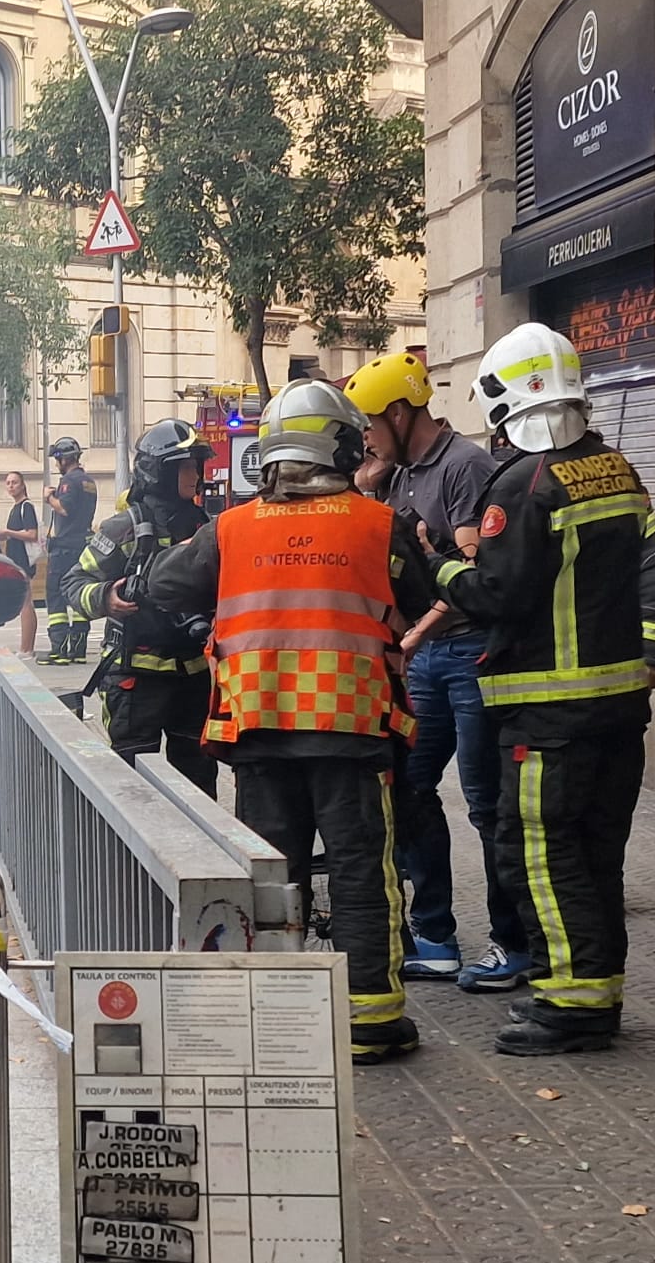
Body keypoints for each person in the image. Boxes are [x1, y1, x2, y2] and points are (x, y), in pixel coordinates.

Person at [144, 379, 436, 1063]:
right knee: (363, 871)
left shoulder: (229, 528)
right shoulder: (379, 524)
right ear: (334, 446)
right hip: (351, 729)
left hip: (258, 730)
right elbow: (422, 593)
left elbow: (162, 585)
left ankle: (277, 1019)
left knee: (274, 877)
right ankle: (372, 1021)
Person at [430, 322, 655, 1056]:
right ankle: (596, 996)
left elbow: (498, 593)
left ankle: (570, 1007)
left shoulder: (523, 484)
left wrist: (437, 566)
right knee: (598, 852)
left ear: (509, 401)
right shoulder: (618, 470)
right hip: (618, 710)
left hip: (547, 717)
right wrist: (653, 653)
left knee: (537, 851)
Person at [345, 352, 529, 989]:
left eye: (369, 422)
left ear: (399, 412)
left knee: (486, 803)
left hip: (469, 655)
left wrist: (416, 636)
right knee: (408, 789)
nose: (364, 436)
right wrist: (365, 489)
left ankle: (515, 943)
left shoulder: (464, 467)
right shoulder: (394, 475)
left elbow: (478, 576)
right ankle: (436, 935)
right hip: (425, 663)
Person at [66, 419, 219, 794]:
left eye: (195, 465)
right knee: (133, 787)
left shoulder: (206, 527)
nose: (194, 474)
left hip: (193, 677)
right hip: (136, 677)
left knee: (198, 782)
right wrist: (106, 598)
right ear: (160, 471)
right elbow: (73, 583)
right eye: (185, 465)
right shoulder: (125, 529)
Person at [39, 436, 98, 664]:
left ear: (64, 458)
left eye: (57, 459)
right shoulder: (89, 482)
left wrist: (49, 497)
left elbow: (64, 508)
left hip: (64, 549)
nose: (56, 464)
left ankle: (60, 649)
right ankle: (79, 649)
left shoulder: (68, 481)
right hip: (83, 546)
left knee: (56, 596)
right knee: (79, 594)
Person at [0, 470, 40, 655]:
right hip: (16, 559)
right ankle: (26, 647)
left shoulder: (26, 507)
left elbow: (32, 534)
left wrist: (8, 533)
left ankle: (26, 648)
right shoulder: (16, 507)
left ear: (22, 485)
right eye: (8, 483)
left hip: (24, 560)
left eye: (14, 482)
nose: (11, 486)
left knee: (26, 603)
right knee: (25, 603)